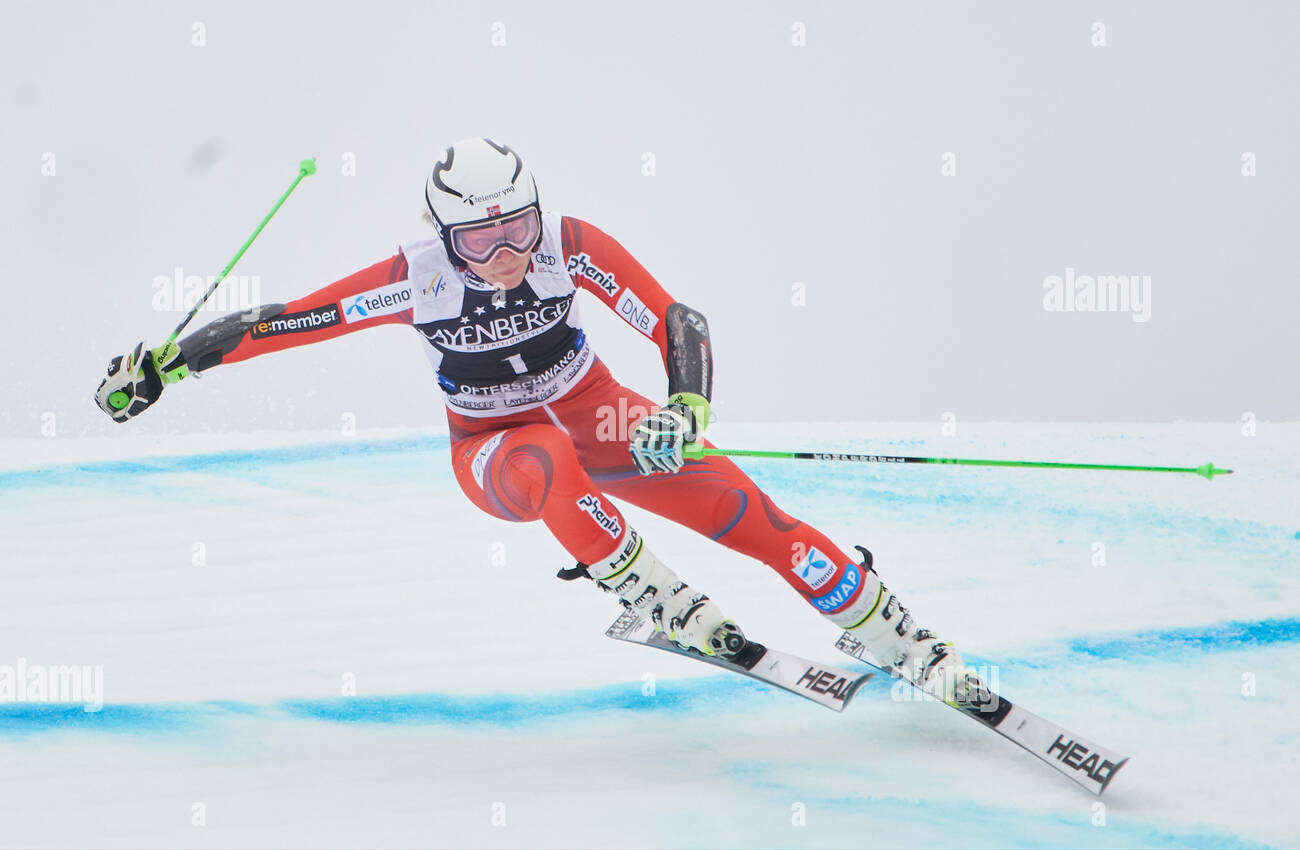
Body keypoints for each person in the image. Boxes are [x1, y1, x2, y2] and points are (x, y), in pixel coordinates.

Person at [94, 137, 970, 699]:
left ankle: (889, 629)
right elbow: (288, 320)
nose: (507, 254)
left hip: (599, 416)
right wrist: (166, 365)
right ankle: (655, 594)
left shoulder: (569, 247)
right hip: (493, 453)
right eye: (481, 241)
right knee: (547, 453)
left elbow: (676, 321)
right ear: (446, 239)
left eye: (517, 228)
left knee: (748, 513)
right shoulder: (416, 275)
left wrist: (682, 406)